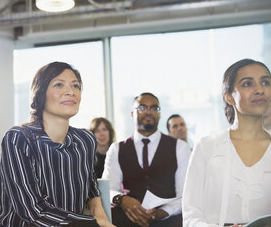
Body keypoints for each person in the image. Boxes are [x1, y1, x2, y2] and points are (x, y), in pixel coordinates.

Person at [0, 62, 114, 227]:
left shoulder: (86, 140)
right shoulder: (18, 138)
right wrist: (94, 224)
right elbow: (32, 211)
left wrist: (99, 212)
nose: (70, 92)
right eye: (59, 85)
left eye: (76, 86)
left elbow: (90, 182)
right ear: (40, 93)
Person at [182, 59, 271, 227]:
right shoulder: (207, 146)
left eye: (265, 82)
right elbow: (190, 216)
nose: (260, 90)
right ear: (229, 96)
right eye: (247, 84)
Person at [102, 92, 191, 227]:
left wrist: (162, 212)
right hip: (126, 220)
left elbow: (184, 194)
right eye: (142, 108)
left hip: (168, 220)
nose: (149, 112)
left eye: (154, 108)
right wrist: (123, 200)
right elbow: (107, 189)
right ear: (132, 114)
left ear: (159, 114)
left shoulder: (180, 148)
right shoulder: (116, 149)